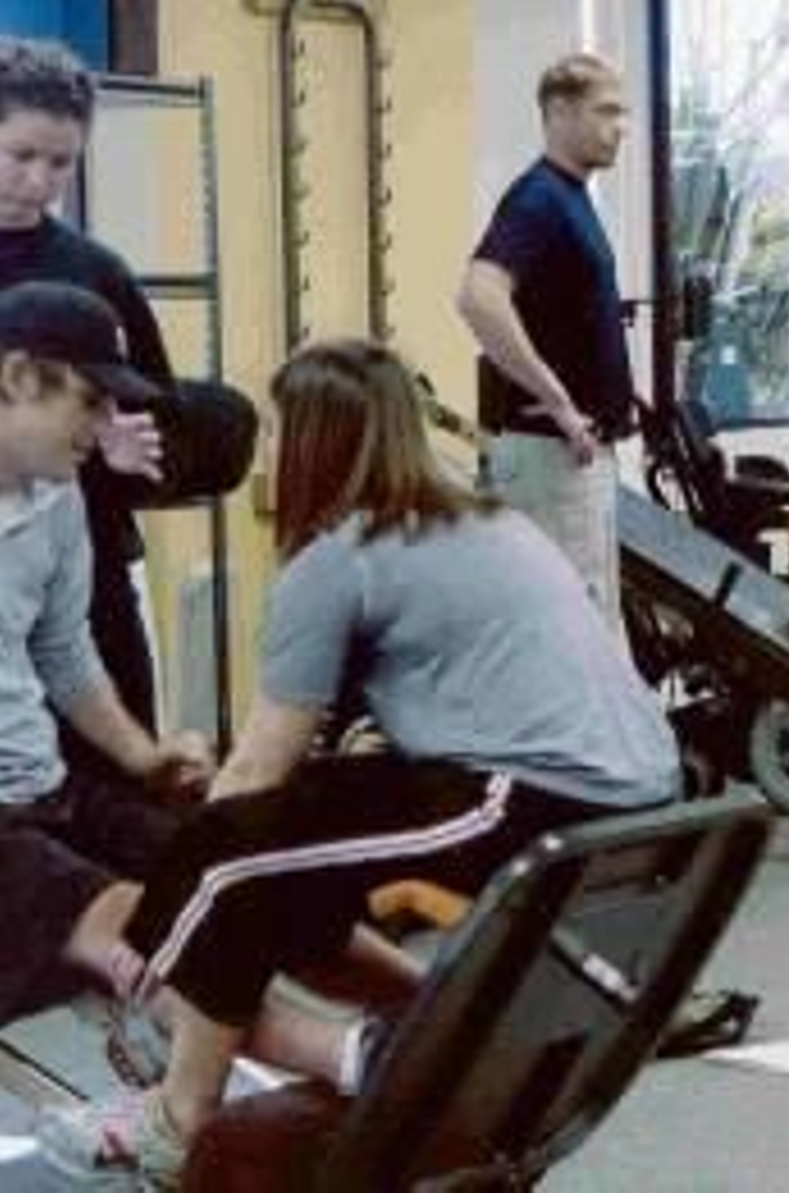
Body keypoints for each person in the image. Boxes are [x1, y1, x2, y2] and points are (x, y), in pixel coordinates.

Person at [36, 338, 682, 1188]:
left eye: (275, 433)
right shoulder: (489, 518)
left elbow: (255, 773)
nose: (267, 453)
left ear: (313, 443)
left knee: (228, 864)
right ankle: (421, 1025)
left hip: (543, 796)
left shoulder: (337, 561)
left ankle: (176, 1115)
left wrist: (174, 880)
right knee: (284, 850)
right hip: (633, 784)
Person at [0, 281, 213, 1032]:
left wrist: (145, 757)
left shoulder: (58, 500)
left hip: (42, 791)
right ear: (19, 378)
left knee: (222, 869)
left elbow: (63, 652)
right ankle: (355, 1056)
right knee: (130, 922)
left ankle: (429, 1013)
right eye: (89, 401)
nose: (105, 425)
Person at [0, 37, 176, 755]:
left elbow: (157, 402)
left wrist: (120, 442)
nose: (40, 182)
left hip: (83, 563)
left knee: (124, 769)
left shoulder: (96, 271)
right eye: (21, 156)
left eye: (61, 163)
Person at [457, 50, 635, 635]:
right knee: (565, 637)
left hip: (575, 458)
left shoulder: (572, 197)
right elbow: (479, 297)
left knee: (590, 633)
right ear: (559, 111)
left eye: (623, 114)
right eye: (606, 111)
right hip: (550, 458)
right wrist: (558, 402)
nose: (620, 128)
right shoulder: (538, 198)